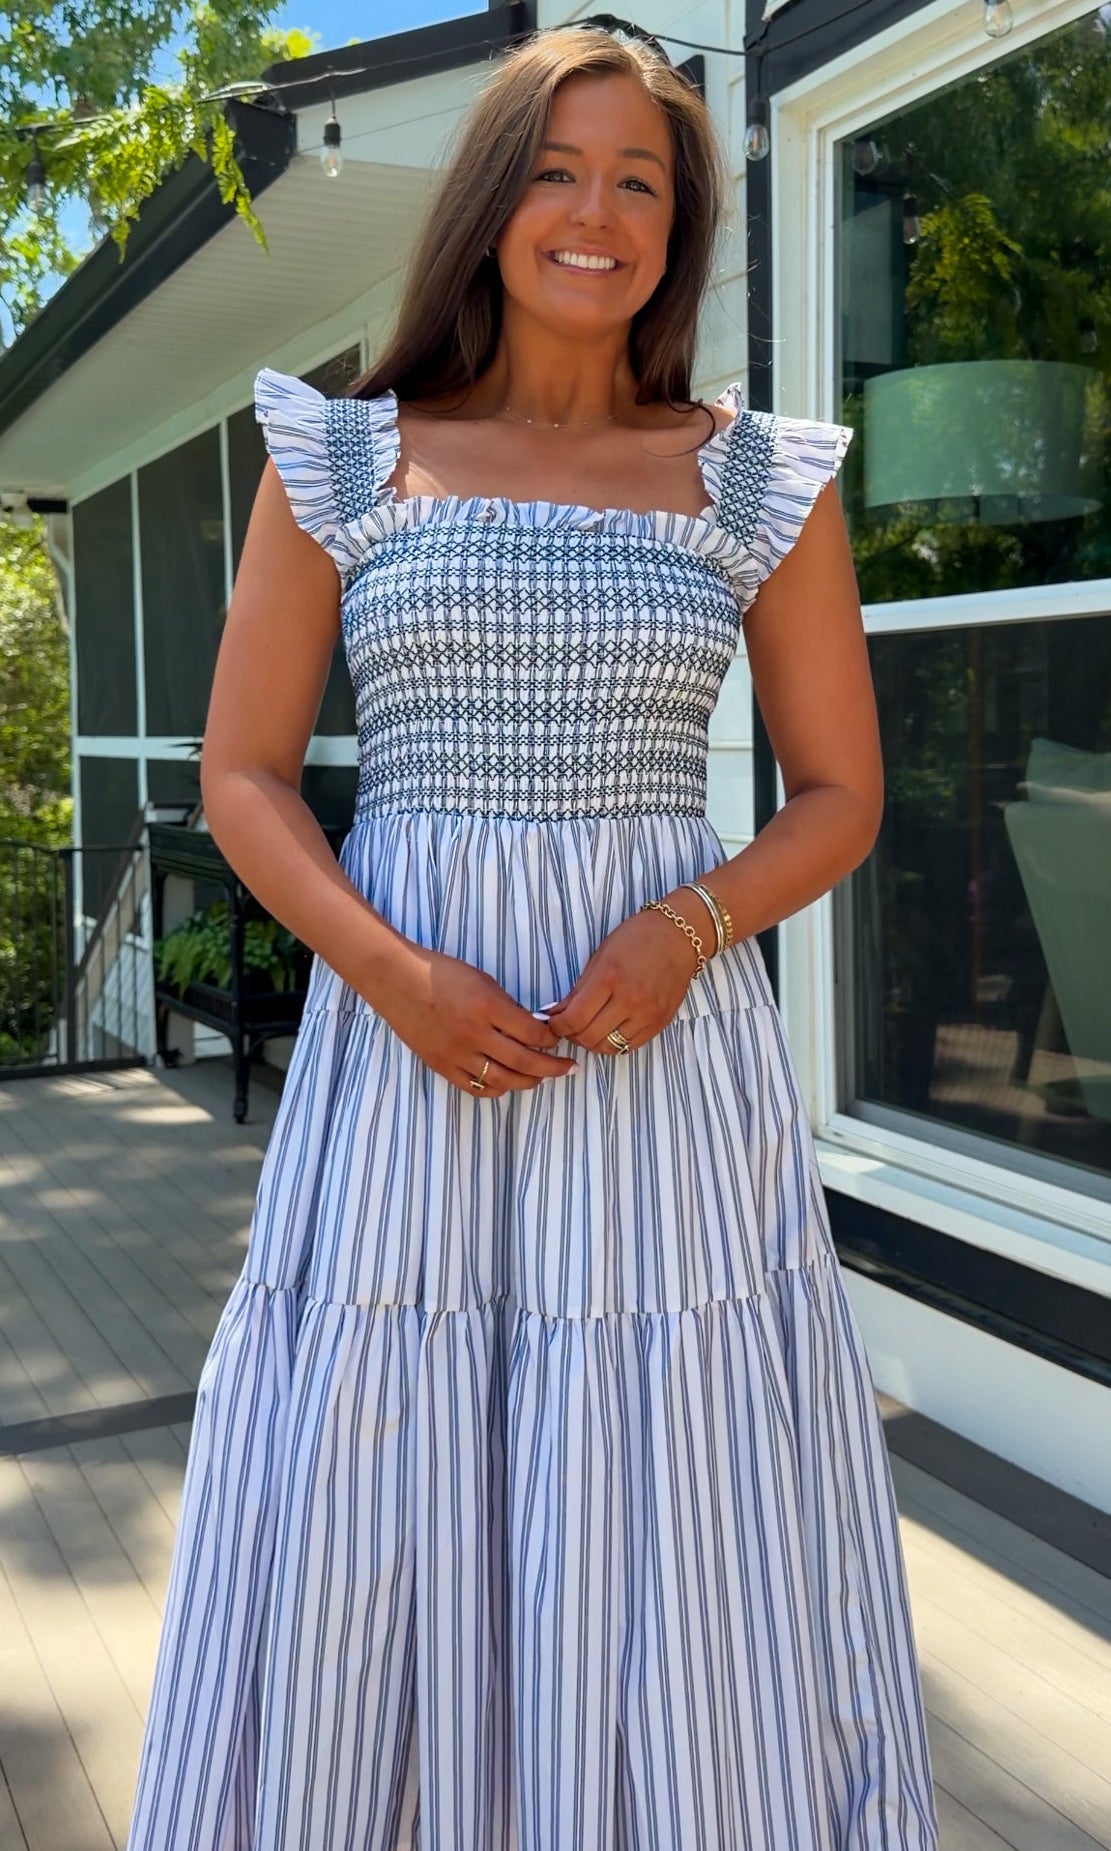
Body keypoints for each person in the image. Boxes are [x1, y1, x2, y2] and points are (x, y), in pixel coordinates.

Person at [126, 18, 939, 1851]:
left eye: (641, 182)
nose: (598, 213)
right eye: (559, 171)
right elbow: (244, 774)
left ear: (680, 226)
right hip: (410, 1061)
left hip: (657, 1068)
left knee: (661, 1463)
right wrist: (394, 975)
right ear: (494, 202)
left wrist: (690, 926)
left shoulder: (755, 479)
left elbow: (839, 794)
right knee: (385, 1448)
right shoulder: (346, 457)